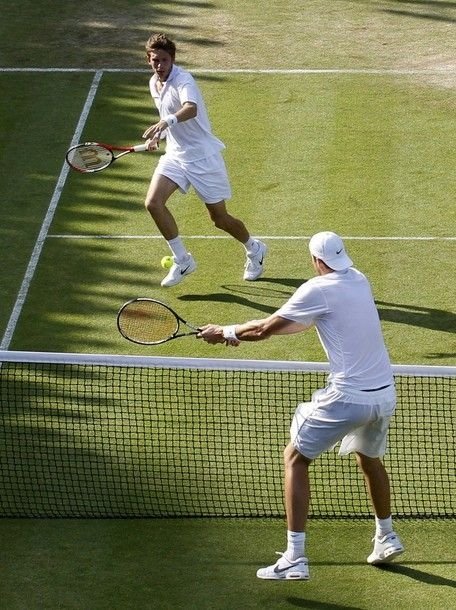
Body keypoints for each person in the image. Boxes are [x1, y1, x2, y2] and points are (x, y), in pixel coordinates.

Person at [198, 231, 404, 580]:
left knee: (294, 457)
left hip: (348, 397)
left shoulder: (317, 288)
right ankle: (386, 536)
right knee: (369, 460)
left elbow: (265, 328)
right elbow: (298, 323)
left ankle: (294, 558)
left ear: (315, 261)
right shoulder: (359, 279)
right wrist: (237, 333)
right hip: (383, 396)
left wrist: (228, 332)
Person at [142, 33, 267, 287]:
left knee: (219, 219)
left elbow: (190, 108)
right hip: (176, 155)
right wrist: (160, 135)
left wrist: (166, 122)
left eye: (164, 60)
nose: (160, 65)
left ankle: (254, 249)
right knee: (153, 203)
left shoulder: (183, 79)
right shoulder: (154, 83)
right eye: (155, 60)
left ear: (172, 60)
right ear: (149, 60)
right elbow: (166, 116)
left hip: (202, 158)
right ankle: (182, 259)